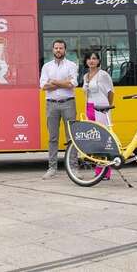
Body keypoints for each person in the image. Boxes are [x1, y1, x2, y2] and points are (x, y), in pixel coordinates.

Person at [39, 39, 78, 179]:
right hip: (51, 104)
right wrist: (63, 83)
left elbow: (73, 83)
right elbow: (43, 86)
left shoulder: (72, 65)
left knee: (71, 137)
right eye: (56, 48)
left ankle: (73, 167)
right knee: (52, 138)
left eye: (61, 48)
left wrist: (53, 82)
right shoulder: (46, 66)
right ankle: (52, 168)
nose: (58, 50)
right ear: (52, 50)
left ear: (65, 50)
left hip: (68, 103)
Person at [83, 51, 115, 180]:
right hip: (89, 107)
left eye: (94, 58)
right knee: (94, 139)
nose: (92, 61)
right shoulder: (85, 76)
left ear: (98, 61)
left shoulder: (103, 75)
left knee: (103, 139)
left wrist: (107, 108)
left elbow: (111, 92)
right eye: (89, 58)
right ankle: (98, 169)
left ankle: (105, 172)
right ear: (86, 61)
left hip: (101, 107)